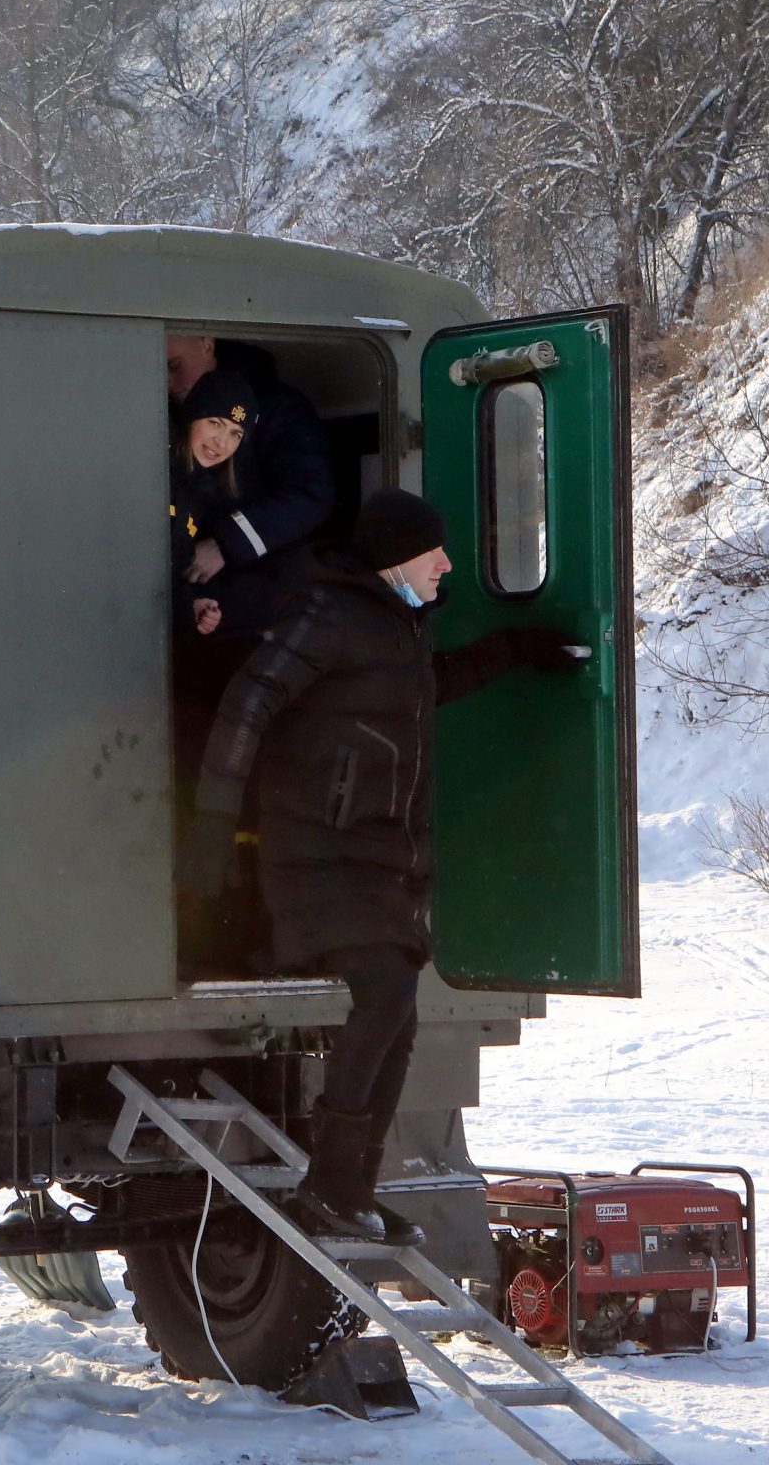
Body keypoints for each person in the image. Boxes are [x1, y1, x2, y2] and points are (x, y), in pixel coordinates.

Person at [179, 488, 582, 1243]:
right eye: (436, 551)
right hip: (318, 855)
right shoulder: (326, 616)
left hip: (372, 862)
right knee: (389, 991)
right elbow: (248, 701)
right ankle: (334, 1185)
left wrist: (517, 650)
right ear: (397, 555)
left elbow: (429, 689)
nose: (448, 565)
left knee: (398, 1014)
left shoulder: (395, 627)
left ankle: (348, 1188)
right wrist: (212, 827)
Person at [165, 334, 334, 594]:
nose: (167, 382)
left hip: (259, 587)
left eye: (175, 366)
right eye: (214, 424)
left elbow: (312, 493)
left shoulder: (277, 407)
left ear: (206, 345)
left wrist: (227, 542)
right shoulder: (163, 413)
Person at [168, 368, 275, 643]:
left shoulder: (200, 492)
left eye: (235, 434)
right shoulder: (158, 475)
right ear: (192, 417)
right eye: (215, 423)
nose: (222, 442)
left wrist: (191, 605)